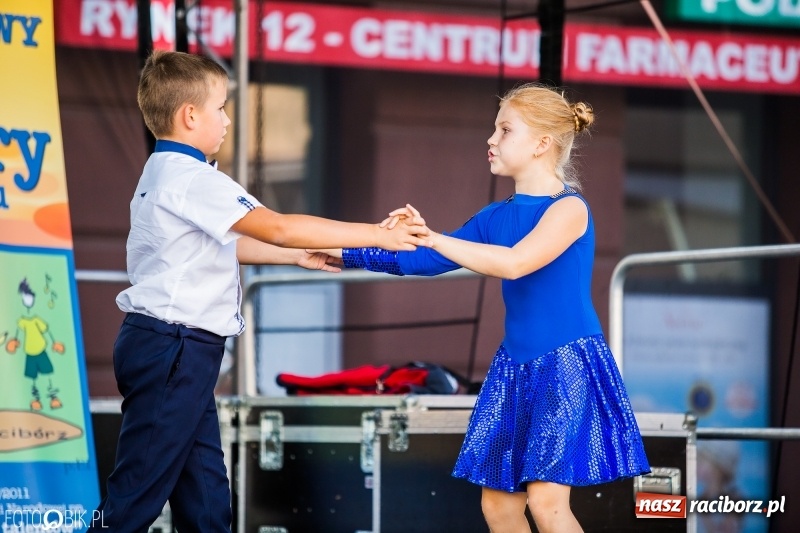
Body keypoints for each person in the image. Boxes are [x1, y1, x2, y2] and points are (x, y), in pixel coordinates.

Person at [89, 50, 429, 533]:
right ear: (190, 116)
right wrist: (377, 234)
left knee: (206, 500)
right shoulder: (194, 179)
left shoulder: (160, 172)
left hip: (174, 349)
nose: (228, 120)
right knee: (133, 498)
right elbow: (280, 227)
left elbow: (221, 246)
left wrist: (295, 257)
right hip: (176, 349)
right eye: (222, 107)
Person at [322, 83, 650, 533]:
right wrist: (340, 253)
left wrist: (436, 237)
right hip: (514, 367)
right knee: (498, 507)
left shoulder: (570, 209)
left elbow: (515, 263)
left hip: (565, 364)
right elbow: (421, 260)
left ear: (542, 143)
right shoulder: (495, 216)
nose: (491, 139)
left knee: (547, 503)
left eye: (505, 130)